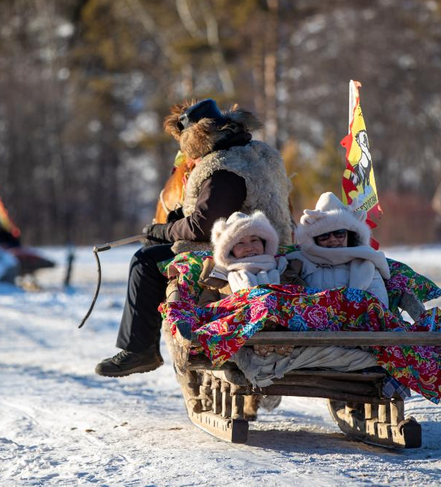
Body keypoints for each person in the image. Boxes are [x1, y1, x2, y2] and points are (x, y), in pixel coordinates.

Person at [95, 98, 293, 377]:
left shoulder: (223, 167)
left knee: (145, 261)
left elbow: (201, 227)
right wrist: (180, 215)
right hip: (272, 241)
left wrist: (161, 230)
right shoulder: (259, 153)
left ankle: (140, 350)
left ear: (195, 141)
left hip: (238, 250)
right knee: (159, 247)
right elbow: (223, 207)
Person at [287, 192, 390, 306]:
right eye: (324, 236)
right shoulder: (298, 261)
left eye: (339, 234)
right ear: (314, 239)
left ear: (350, 235)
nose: (332, 239)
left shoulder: (365, 261)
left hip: (356, 321)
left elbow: (379, 304)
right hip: (311, 321)